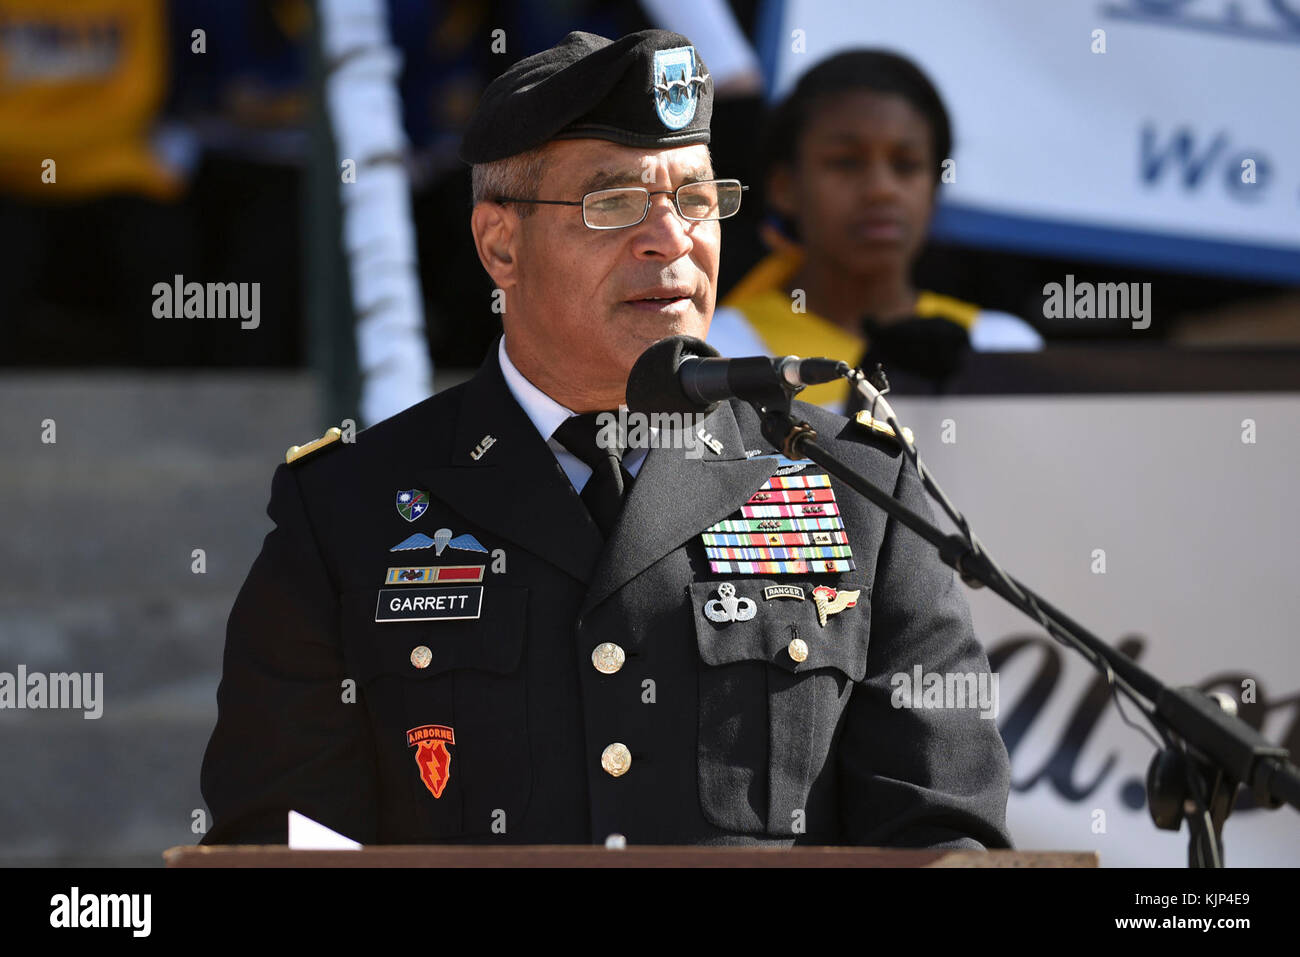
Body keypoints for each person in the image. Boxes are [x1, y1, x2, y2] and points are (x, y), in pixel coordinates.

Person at [200, 29, 1012, 849]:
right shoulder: (346, 510)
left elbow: (943, 831)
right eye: (615, 202)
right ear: (499, 245)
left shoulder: (861, 491)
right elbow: (278, 837)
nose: (672, 238)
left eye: (697, 199)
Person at [708, 50, 1043, 409]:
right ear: (784, 188)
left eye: (906, 165)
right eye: (846, 163)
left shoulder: (1002, 348)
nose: (882, 189)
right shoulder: (716, 355)